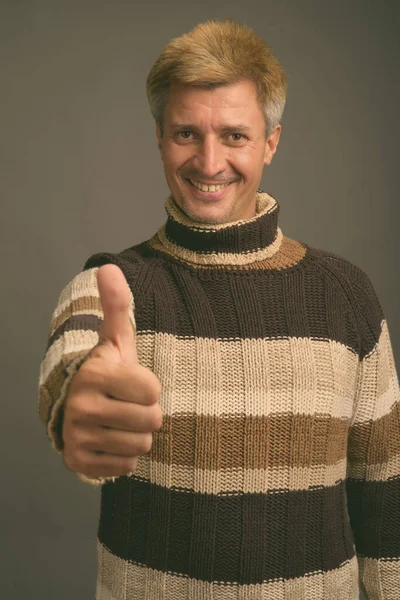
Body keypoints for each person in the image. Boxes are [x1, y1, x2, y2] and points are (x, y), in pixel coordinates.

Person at [38, 18, 400, 600]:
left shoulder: (347, 295)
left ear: (271, 143)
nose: (209, 163)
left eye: (234, 136)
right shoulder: (109, 286)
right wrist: (80, 406)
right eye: (186, 133)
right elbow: (75, 366)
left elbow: (386, 502)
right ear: (159, 137)